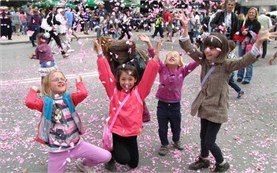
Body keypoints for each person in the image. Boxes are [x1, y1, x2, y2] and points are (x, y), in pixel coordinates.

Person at [176, 11, 277, 172]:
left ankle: (222, 163)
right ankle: (204, 159)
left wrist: (257, 43)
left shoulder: (226, 65)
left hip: (217, 107)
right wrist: (185, 28)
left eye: (213, 48)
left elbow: (245, 60)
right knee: (203, 135)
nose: (208, 50)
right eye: (206, 46)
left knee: (210, 141)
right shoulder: (204, 60)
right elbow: (188, 47)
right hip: (204, 104)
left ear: (221, 50)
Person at [93, 37, 160, 171]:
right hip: (117, 131)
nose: (126, 82)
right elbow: (105, 73)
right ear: (118, 79)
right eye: (123, 79)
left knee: (133, 164)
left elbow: (150, 74)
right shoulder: (113, 90)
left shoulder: (139, 92)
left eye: (130, 79)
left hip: (132, 132)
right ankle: (111, 154)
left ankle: (117, 152)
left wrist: (155, 53)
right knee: (123, 159)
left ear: (136, 80)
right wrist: (100, 53)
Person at [25, 70, 112, 173]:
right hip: (58, 152)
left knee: (106, 156)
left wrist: (78, 81)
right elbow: (29, 102)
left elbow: (83, 93)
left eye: (62, 79)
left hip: (77, 145)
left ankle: (83, 165)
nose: (60, 81)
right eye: (56, 79)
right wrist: (33, 90)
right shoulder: (45, 103)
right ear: (48, 85)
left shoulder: (69, 99)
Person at [138, 34, 199, 156]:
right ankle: (164, 144)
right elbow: (154, 56)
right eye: (169, 56)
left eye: (175, 56)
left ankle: (176, 140)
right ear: (165, 60)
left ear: (180, 61)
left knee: (176, 126)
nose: (172, 56)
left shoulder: (183, 71)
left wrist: (197, 52)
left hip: (176, 105)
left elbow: (196, 62)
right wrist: (149, 44)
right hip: (162, 105)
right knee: (162, 127)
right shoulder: (162, 69)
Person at [236, 7, 261, 84]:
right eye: (250, 12)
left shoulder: (257, 23)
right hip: (242, 43)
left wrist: (248, 33)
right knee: (241, 59)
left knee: (249, 61)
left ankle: (247, 77)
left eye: (253, 13)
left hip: (251, 45)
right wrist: (242, 32)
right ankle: (240, 75)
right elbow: (239, 30)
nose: (251, 14)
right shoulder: (244, 21)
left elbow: (256, 34)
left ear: (255, 14)